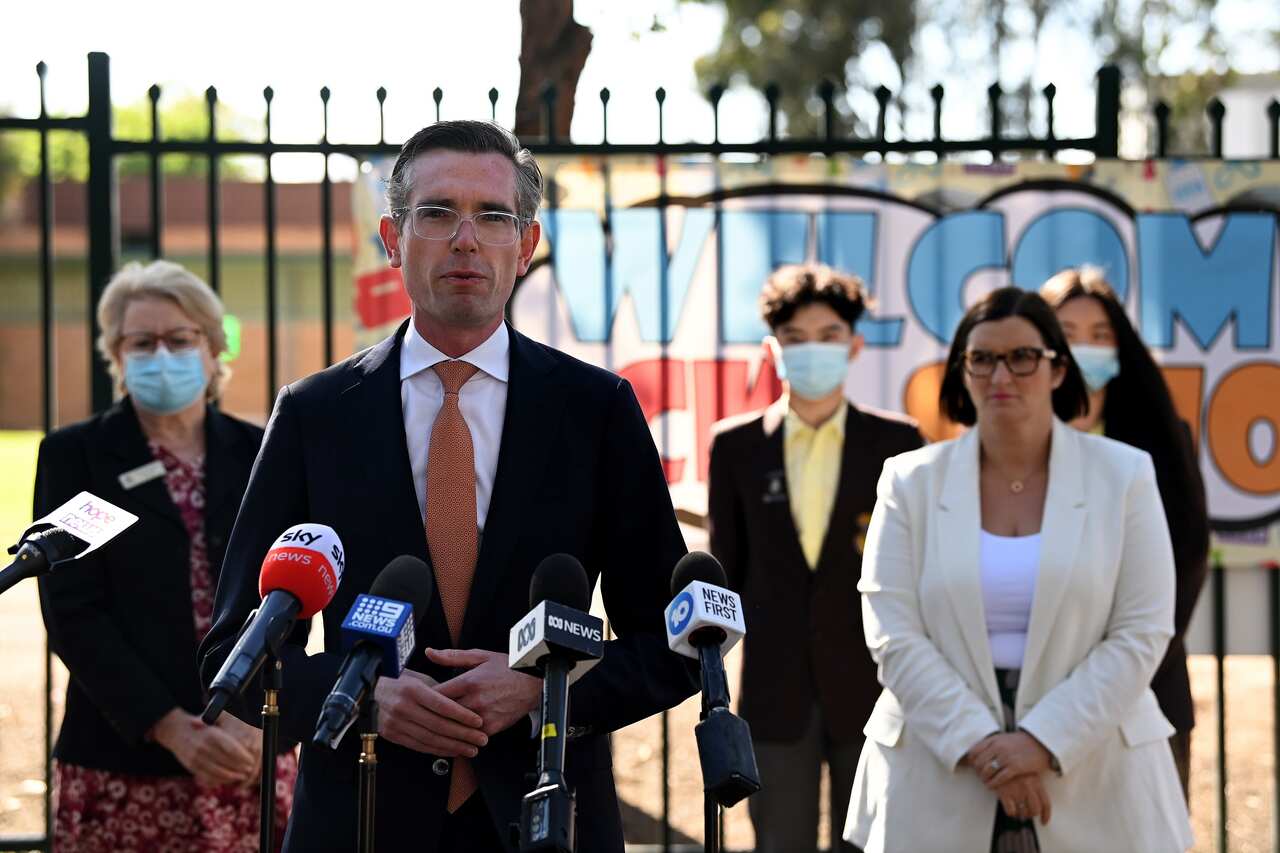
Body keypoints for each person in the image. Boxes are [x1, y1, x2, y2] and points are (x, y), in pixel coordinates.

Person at [198, 120, 696, 853]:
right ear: (392, 239)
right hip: (361, 815)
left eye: (493, 217)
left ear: (524, 246)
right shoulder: (313, 414)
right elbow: (236, 658)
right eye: (436, 213)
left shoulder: (597, 411)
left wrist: (542, 691)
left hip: (547, 815)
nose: (466, 239)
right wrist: (364, 692)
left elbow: (674, 641)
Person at [844, 287, 1193, 852]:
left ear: (1057, 369)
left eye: (1023, 356)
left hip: (1096, 771)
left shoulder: (1124, 475)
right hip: (942, 765)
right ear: (962, 372)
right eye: (982, 358)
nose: (1002, 374)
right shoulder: (908, 481)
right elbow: (892, 632)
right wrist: (984, 745)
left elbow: (1142, 629)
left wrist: (1042, 740)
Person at [34, 260, 294, 852]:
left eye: (180, 340)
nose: (162, 355)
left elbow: (293, 592)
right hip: (127, 758)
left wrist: (256, 712)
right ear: (116, 354)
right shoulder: (78, 456)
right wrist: (171, 727)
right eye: (142, 342)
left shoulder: (261, 450)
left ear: (213, 348)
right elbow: (74, 612)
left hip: (250, 749)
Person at [706, 263, 922, 852]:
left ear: (854, 345)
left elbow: (917, 576)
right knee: (780, 842)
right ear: (773, 350)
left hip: (876, 693)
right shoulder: (736, 446)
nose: (812, 351)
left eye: (828, 335)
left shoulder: (899, 444)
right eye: (796, 339)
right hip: (775, 698)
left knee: (874, 843)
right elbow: (726, 571)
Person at [1041, 267, 1210, 799]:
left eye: (1100, 335)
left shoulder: (1160, 439)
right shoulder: (1009, 445)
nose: (1084, 348)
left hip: (1146, 698)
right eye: (1067, 333)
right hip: (1036, 708)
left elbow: (1187, 559)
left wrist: (1116, 671)